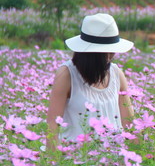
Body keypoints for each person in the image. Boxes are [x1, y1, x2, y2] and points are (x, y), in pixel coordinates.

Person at [46, 13, 135, 152]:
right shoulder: (67, 74)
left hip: (112, 162)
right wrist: (52, 165)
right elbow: (53, 124)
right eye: (109, 51)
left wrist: (138, 157)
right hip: (74, 162)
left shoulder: (117, 74)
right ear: (94, 54)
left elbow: (129, 123)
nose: (112, 55)